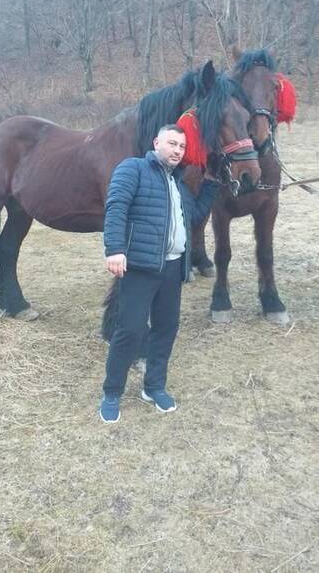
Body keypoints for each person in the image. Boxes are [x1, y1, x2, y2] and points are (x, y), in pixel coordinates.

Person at [100, 124, 220, 423]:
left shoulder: (178, 184)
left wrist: (213, 184)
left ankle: (153, 387)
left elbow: (192, 215)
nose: (177, 151)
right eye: (172, 144)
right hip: (140, 267)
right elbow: (116, 207)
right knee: (129, 329)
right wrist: (115, 248)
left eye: (181, 147)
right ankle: (112, 392)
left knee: (166, 328)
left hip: (172, 268)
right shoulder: (134, 168)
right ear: (157, 143)